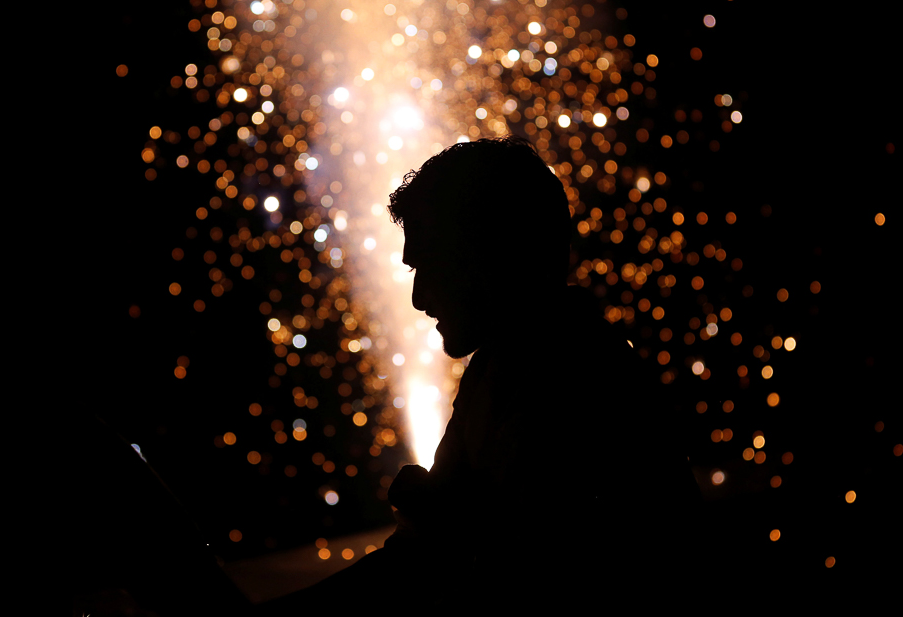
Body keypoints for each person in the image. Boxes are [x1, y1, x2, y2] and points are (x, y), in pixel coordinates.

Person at [261, 136, 707, 613]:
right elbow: (421, 559)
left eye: (430, 266)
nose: (417, 297)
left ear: (489, 257)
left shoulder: (573, 393)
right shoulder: (507, 369)